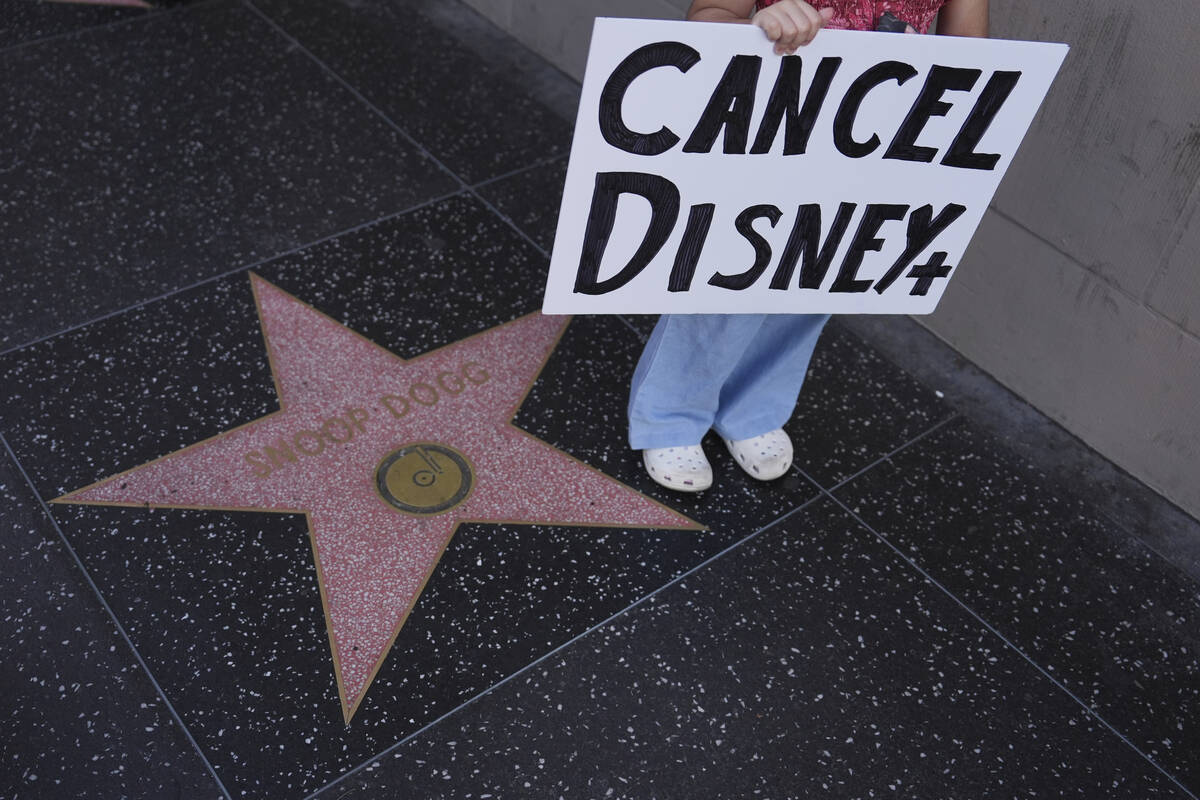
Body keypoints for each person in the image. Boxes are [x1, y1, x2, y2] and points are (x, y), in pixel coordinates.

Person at [629, 0, 989, 492]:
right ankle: (672, 415)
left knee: (813, 282)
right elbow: (708, 16)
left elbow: (971, 51)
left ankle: (753, 407)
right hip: (769, 121)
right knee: (728, 275)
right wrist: (759, 25)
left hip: (873, 140)